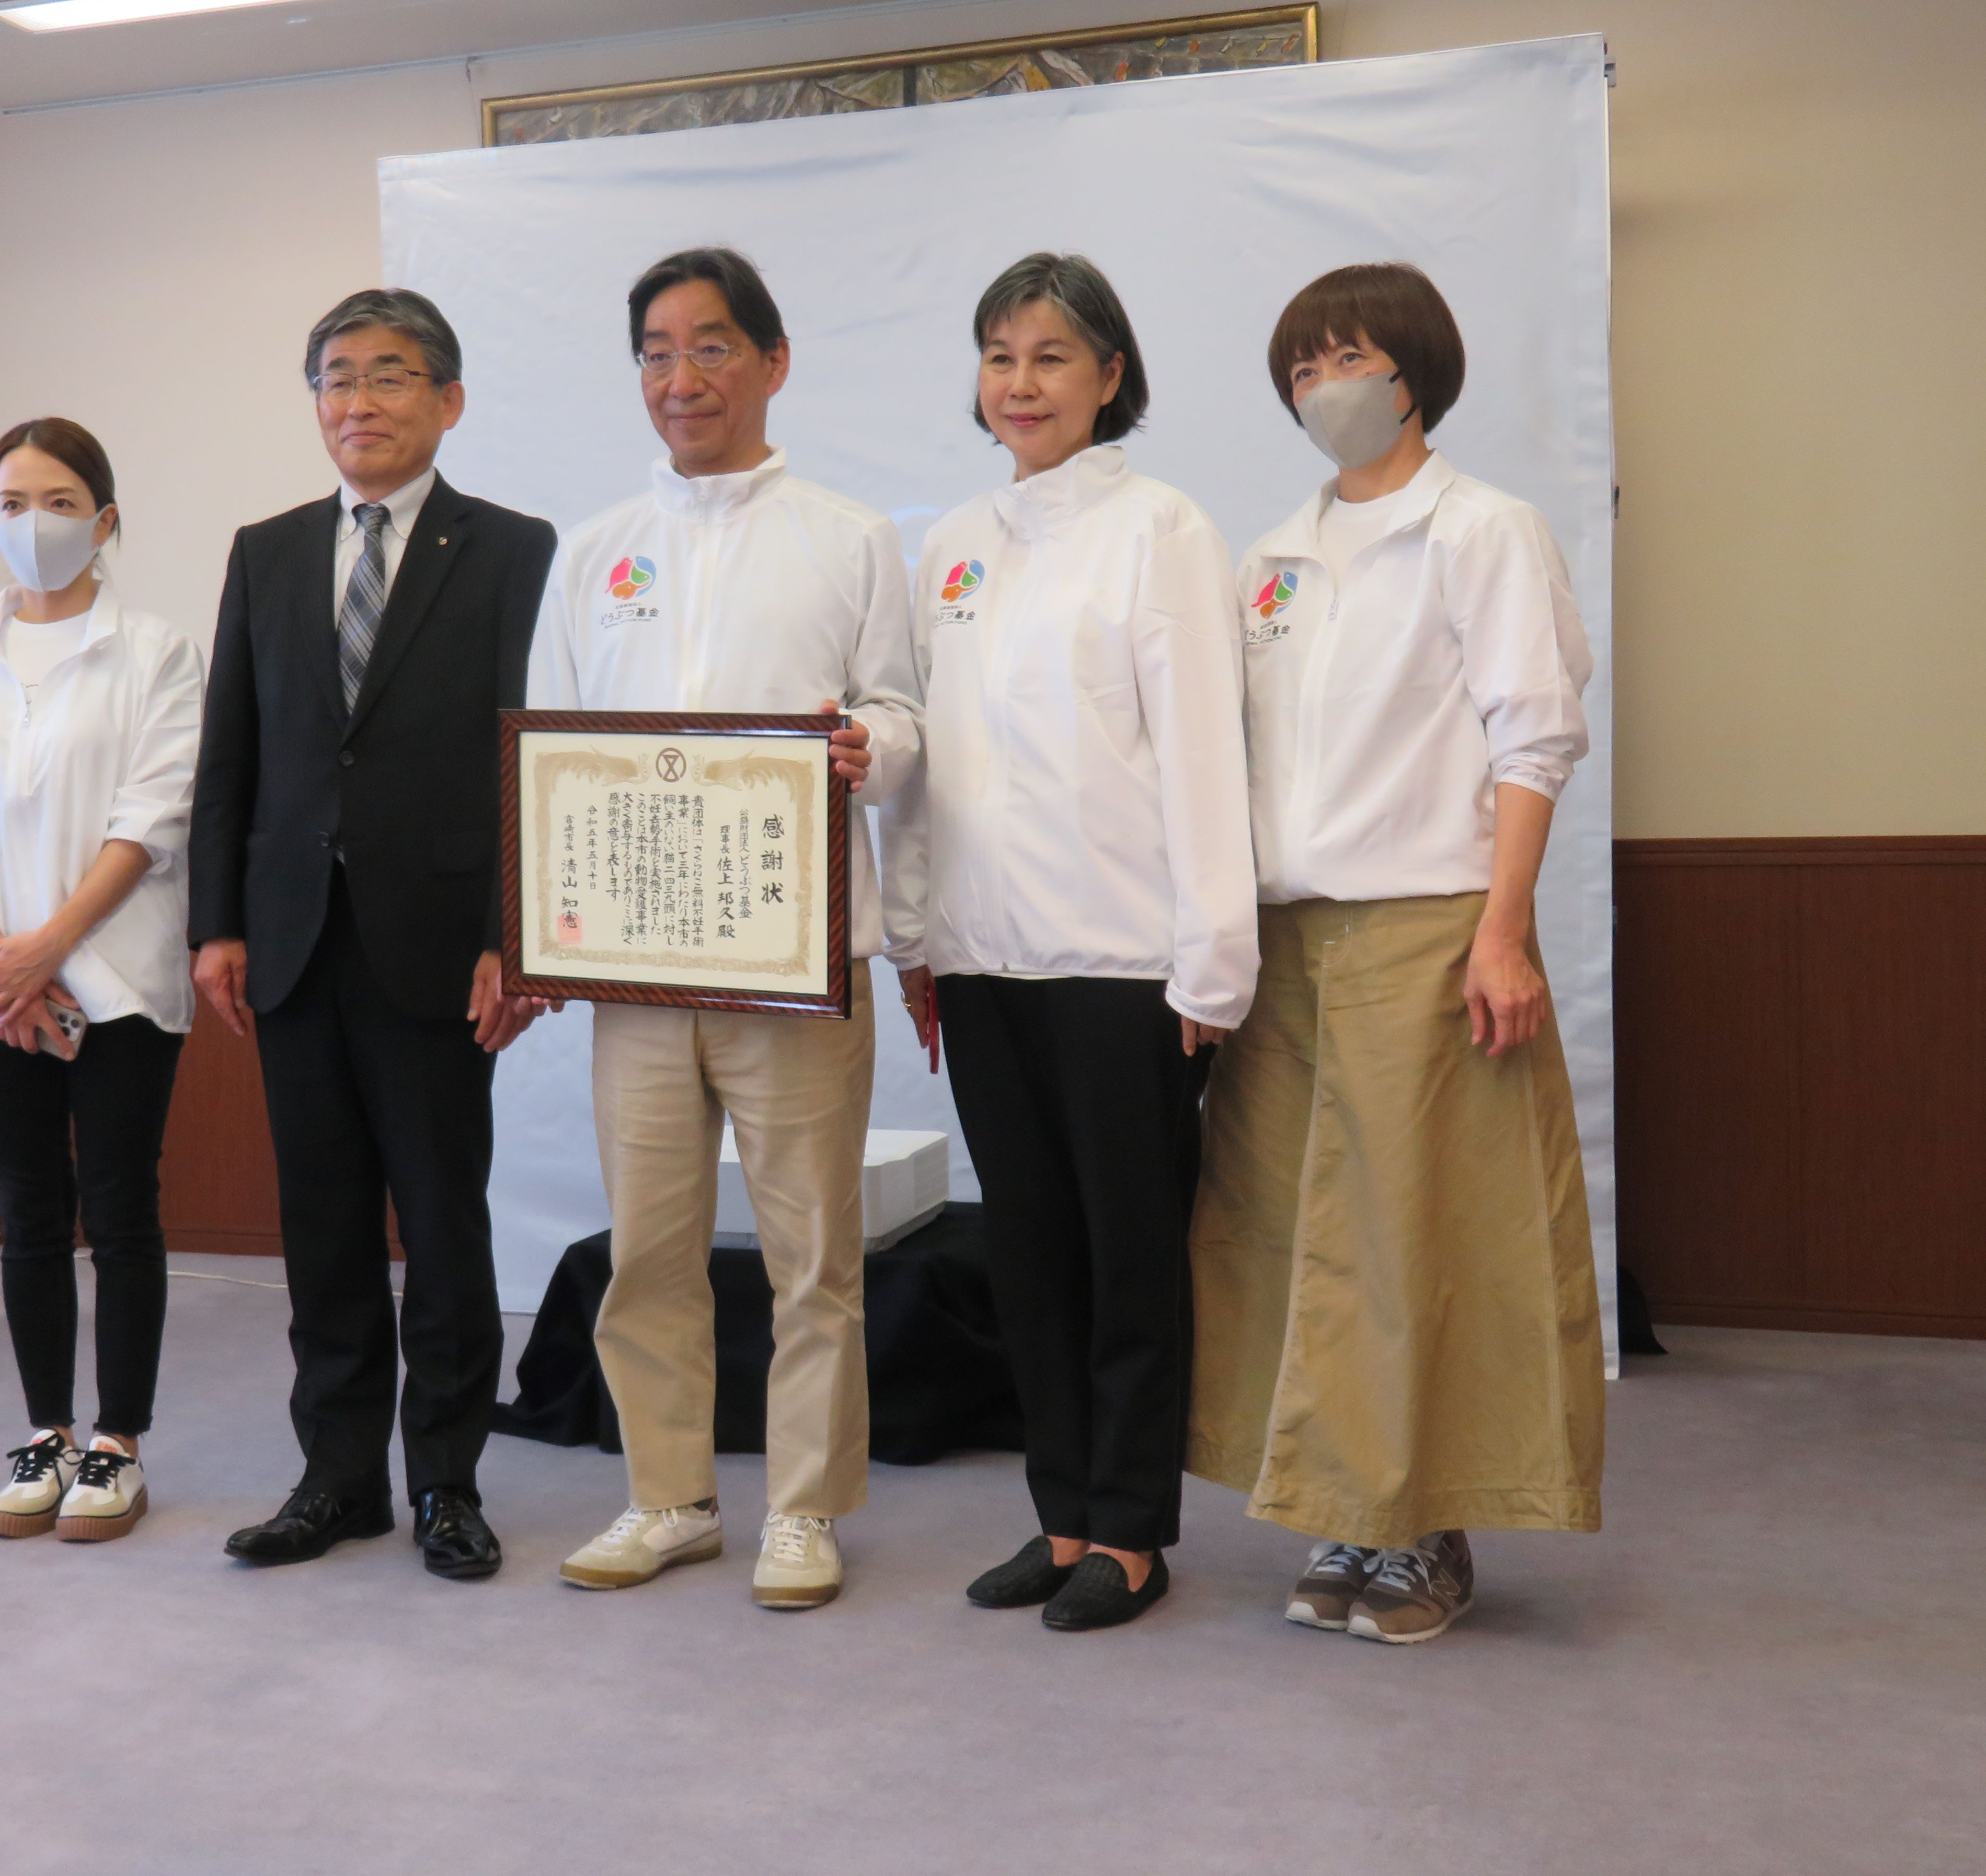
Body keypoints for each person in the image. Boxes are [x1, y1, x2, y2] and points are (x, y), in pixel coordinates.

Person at [1186, 261, 1603, 1645]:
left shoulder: (1483, 531)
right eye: (1302, 368)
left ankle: (1427, 1528)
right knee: (1291, 1234)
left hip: (1428, 928)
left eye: (1349, 358)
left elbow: (1533, 736)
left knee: (1418, 1232)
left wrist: (1504, 932)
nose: (1325, 386)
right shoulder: (1270, 561)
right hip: (1285, 941)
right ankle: (1344, 1508)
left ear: (1415, 371)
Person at [533, 246, 923, 1611]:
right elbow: (556, 758)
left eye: (708, 347)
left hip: (794, 964)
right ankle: (671, 1496)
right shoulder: (596, 553)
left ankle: (803, 1509)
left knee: (813, 1256)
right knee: (649, 1249)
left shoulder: (848, 536)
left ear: (772, 362)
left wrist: (872, 746)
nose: (679, 377)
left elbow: (901, 713)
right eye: (655, 351)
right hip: (639, 968)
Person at [883, 253, 1255, 1632]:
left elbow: (1205, 756)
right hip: (985, 958)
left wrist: (1212, 962)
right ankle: (1061, 1519)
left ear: (1111, 374)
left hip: (1124, 962)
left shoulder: (1164, 529)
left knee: (1130, 1255)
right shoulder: (953, 542)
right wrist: (915, 939)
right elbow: (929, 763)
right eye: (1000, 356)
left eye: (1050, 356)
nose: (1021, 383)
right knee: (1030, 1252)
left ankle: (1133, 1531)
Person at [190, 288, 556, 1580]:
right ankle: (337, 1478)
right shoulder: (267, 550)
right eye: (337, 377)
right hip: (293, 940)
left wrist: (516, 934)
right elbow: (230, 751)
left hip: (442, 944)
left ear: (448, 400)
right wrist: (216, 923)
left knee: (444, 1224)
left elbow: (528, 753)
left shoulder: (512, 549)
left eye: (391, 374)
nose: (360, 401)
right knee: (324, 1225)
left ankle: (446, 1482)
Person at [0, 418, 204, 1543]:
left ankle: (118, 1442)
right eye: (14, 502)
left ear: (106, 520)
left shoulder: (155, 651)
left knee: (119, 1208)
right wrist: (4, 959)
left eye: (62, 501)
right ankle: (48, 1432)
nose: (36, 523)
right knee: (27, 1212)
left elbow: (153, 815)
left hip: (118, 975)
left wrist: (51, 947)